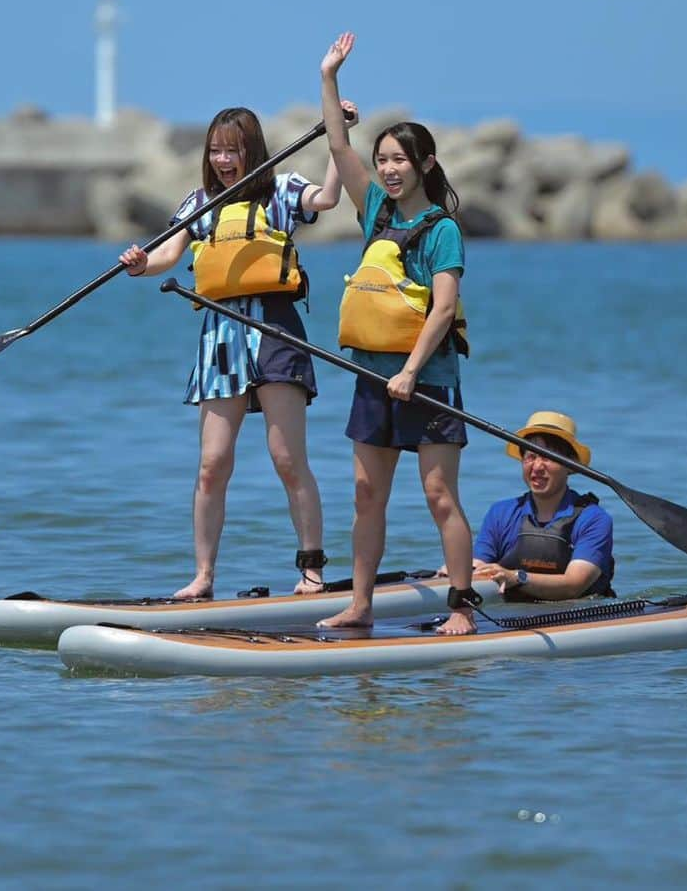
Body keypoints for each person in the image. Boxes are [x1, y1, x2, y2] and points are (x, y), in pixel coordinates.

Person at [119, 103, 356, 600]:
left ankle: (312, 570)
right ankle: (203, 577)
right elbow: (167, 253)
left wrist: (339, 134)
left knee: (287, 459)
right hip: (221, 339)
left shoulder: (282, 190)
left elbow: (330, 198)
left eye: (234, 150)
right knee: (212, 464)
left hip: (275, 333)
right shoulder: (201, 202)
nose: (224, 160)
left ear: (254, 151)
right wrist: (141, 264)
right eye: (216, 150)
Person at [316, 31, 479, 635]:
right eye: (382, 160)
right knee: (365, 495)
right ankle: (360, 604)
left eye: (398, 160)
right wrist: (328, 78)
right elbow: (337, 144)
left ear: (425, 165)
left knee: (439, 495)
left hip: (426, 380)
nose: (386, 169)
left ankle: (462, 606)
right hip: (370, 377)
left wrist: (411, 371)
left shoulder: (443, 230)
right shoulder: (374, 212)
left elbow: (442, 311)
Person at [471, 411, 615, 601]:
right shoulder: (501, 513)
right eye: (531, 456)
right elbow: (478, 565)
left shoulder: (594, 519)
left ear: (571, 466)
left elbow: (574, 585)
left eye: (548, 457)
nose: (537, 467)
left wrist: (516, 577)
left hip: (577, 617)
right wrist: (459, 572)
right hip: (513, 615)